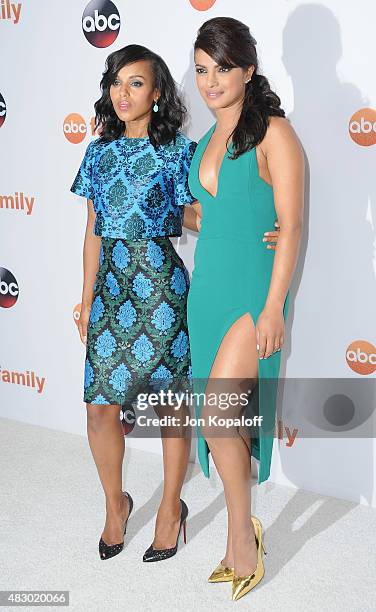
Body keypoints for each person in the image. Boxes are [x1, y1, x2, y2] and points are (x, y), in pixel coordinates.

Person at [70, 43, 281, 563]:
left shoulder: (177, 152)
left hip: (162, 288)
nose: (123, 93)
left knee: (170, 410)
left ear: (158, 92)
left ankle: (170, 509)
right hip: (112, 292)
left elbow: (202, 212)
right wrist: (85, 295)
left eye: (136, 83)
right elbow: (93, 231)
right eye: (116, 83)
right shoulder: (98, 151)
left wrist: (265, 228)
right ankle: (115, 505)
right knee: (100, 412)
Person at [186, 17, 304, 601]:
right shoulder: (205, 139)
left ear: (248, 71)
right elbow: (203, 212)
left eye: (222, 69)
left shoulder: (274, 133)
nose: (210, 81)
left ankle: (242, 540)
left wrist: (275, 306)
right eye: (202, 69)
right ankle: (242, 532)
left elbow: (293, 226)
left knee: (217, 415)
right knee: (219, 422)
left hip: (251, 292)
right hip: (205, 287)